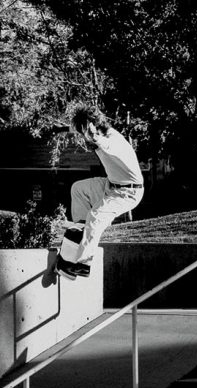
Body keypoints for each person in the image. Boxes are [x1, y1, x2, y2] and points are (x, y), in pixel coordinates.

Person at [55, 105, 144, 279]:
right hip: (110, 185)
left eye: (84, 134)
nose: (84, 139)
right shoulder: (99, 135)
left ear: (94, 128)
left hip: (128, 193)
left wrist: (94, 135)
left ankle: (83, 264)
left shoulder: (112, 139)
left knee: (96, 217)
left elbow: (107, 145)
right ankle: (81, 233)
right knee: (78, 189)